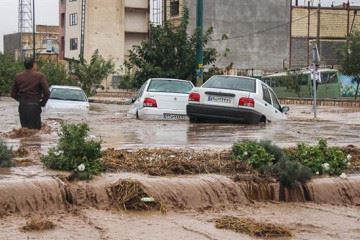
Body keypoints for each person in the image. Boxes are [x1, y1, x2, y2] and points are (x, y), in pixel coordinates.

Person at [11, 58, 50, 130]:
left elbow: (13, 94)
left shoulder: (18, 76)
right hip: (35, 106)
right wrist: (42, 103)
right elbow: (47, 92)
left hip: (23, 107)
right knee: (35, 133)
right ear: (33, 65)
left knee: (24, 131)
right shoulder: (40, 76)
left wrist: (21, 101)